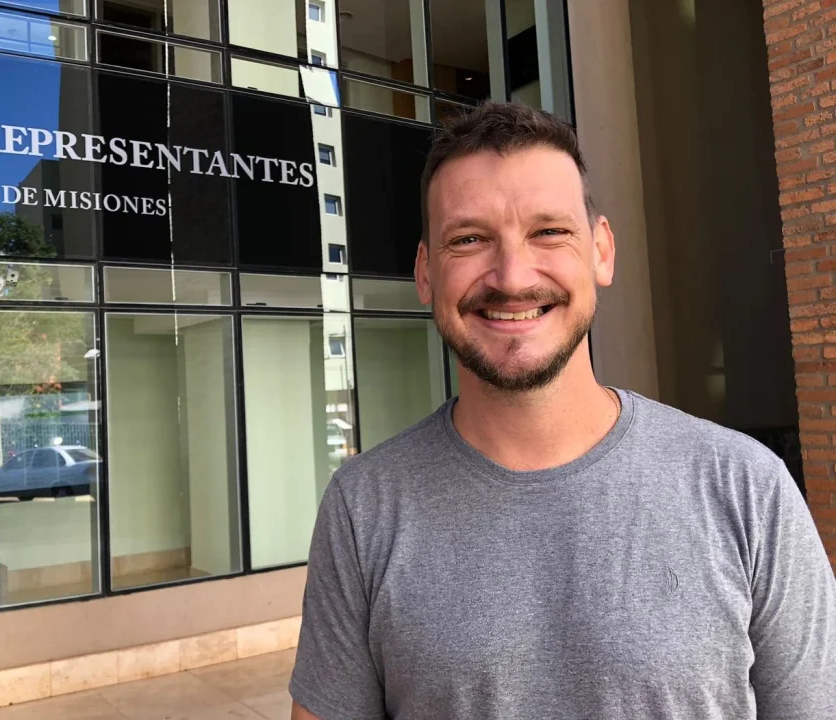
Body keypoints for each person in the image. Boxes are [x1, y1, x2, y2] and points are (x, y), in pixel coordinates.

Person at [289, 102, 836, 719]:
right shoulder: (363, 508)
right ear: (425, 274)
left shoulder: (747, 488)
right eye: (468, 239)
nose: (512, 277)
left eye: (549, 232)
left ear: (601, 251)